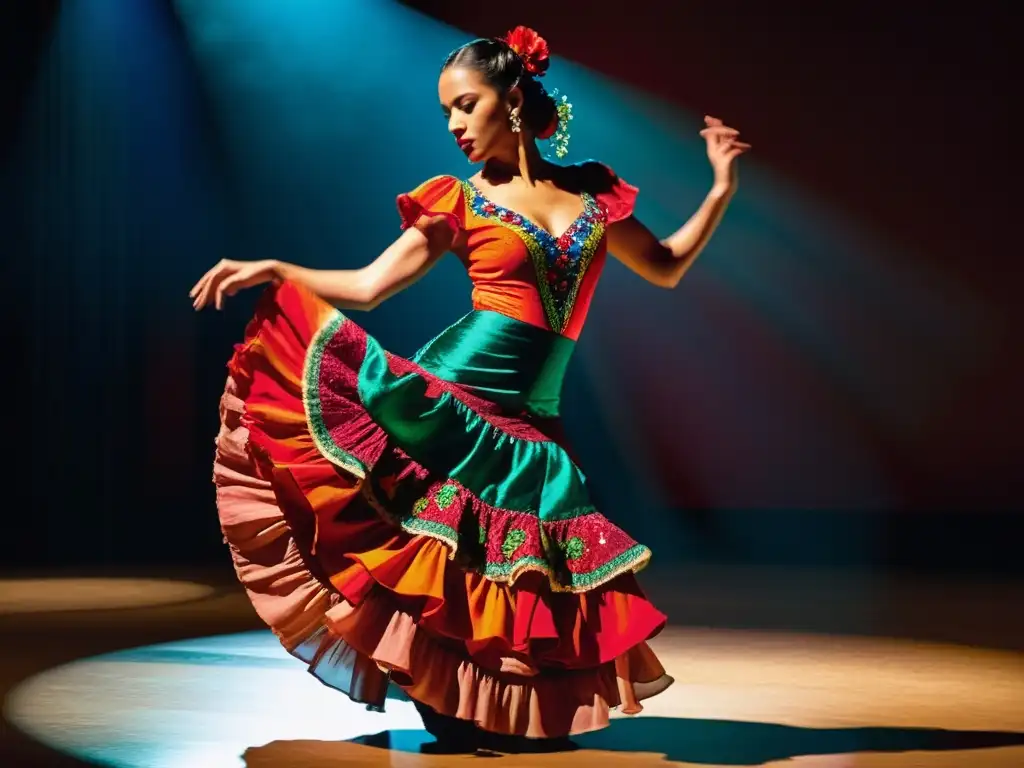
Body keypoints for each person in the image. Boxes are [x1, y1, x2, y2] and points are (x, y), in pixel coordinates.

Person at [190, 25, 748, 753]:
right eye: (446, 111)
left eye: (465, 105)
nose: (454, 125)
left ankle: (489, 707)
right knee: (440, 559)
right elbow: (367, 286)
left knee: (518, 571)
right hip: (455, 404)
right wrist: (275, 269)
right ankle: (452, 703)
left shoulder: (593, 197)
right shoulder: (458, 201)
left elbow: (667, 264)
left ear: (511, 101)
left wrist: (721, 188)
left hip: (531, 422)